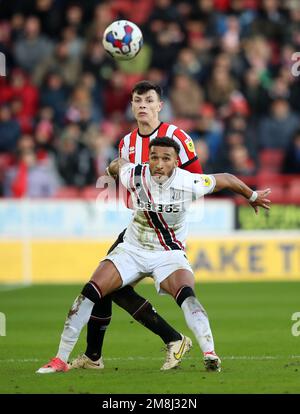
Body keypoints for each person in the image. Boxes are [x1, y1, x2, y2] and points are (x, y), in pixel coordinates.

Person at [37, 137, 271, 374]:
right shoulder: (136, 175)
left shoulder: (189, 182)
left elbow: (227, 179)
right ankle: (60, 360)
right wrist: (110, 168)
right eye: (154, 157)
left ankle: (210, 353)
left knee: (187, 296)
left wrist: (252, 196)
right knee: (90, 292)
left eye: (166, 158)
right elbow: (120, 162)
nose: (159, 163)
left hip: (169, 253)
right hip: (133, 248)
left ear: (176, 162)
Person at [69, 80, 204, 372]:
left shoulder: (178, 137)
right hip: (138, 226)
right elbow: (130, 183)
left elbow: (196, 181)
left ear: (159, 105)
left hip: (166, 230)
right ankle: (97, 356)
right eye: (137, 100)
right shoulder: (126, 143)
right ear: (131, 106)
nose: (142, 105)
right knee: (105, 287)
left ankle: (169, 339)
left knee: (104, 286)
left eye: (148, 100)